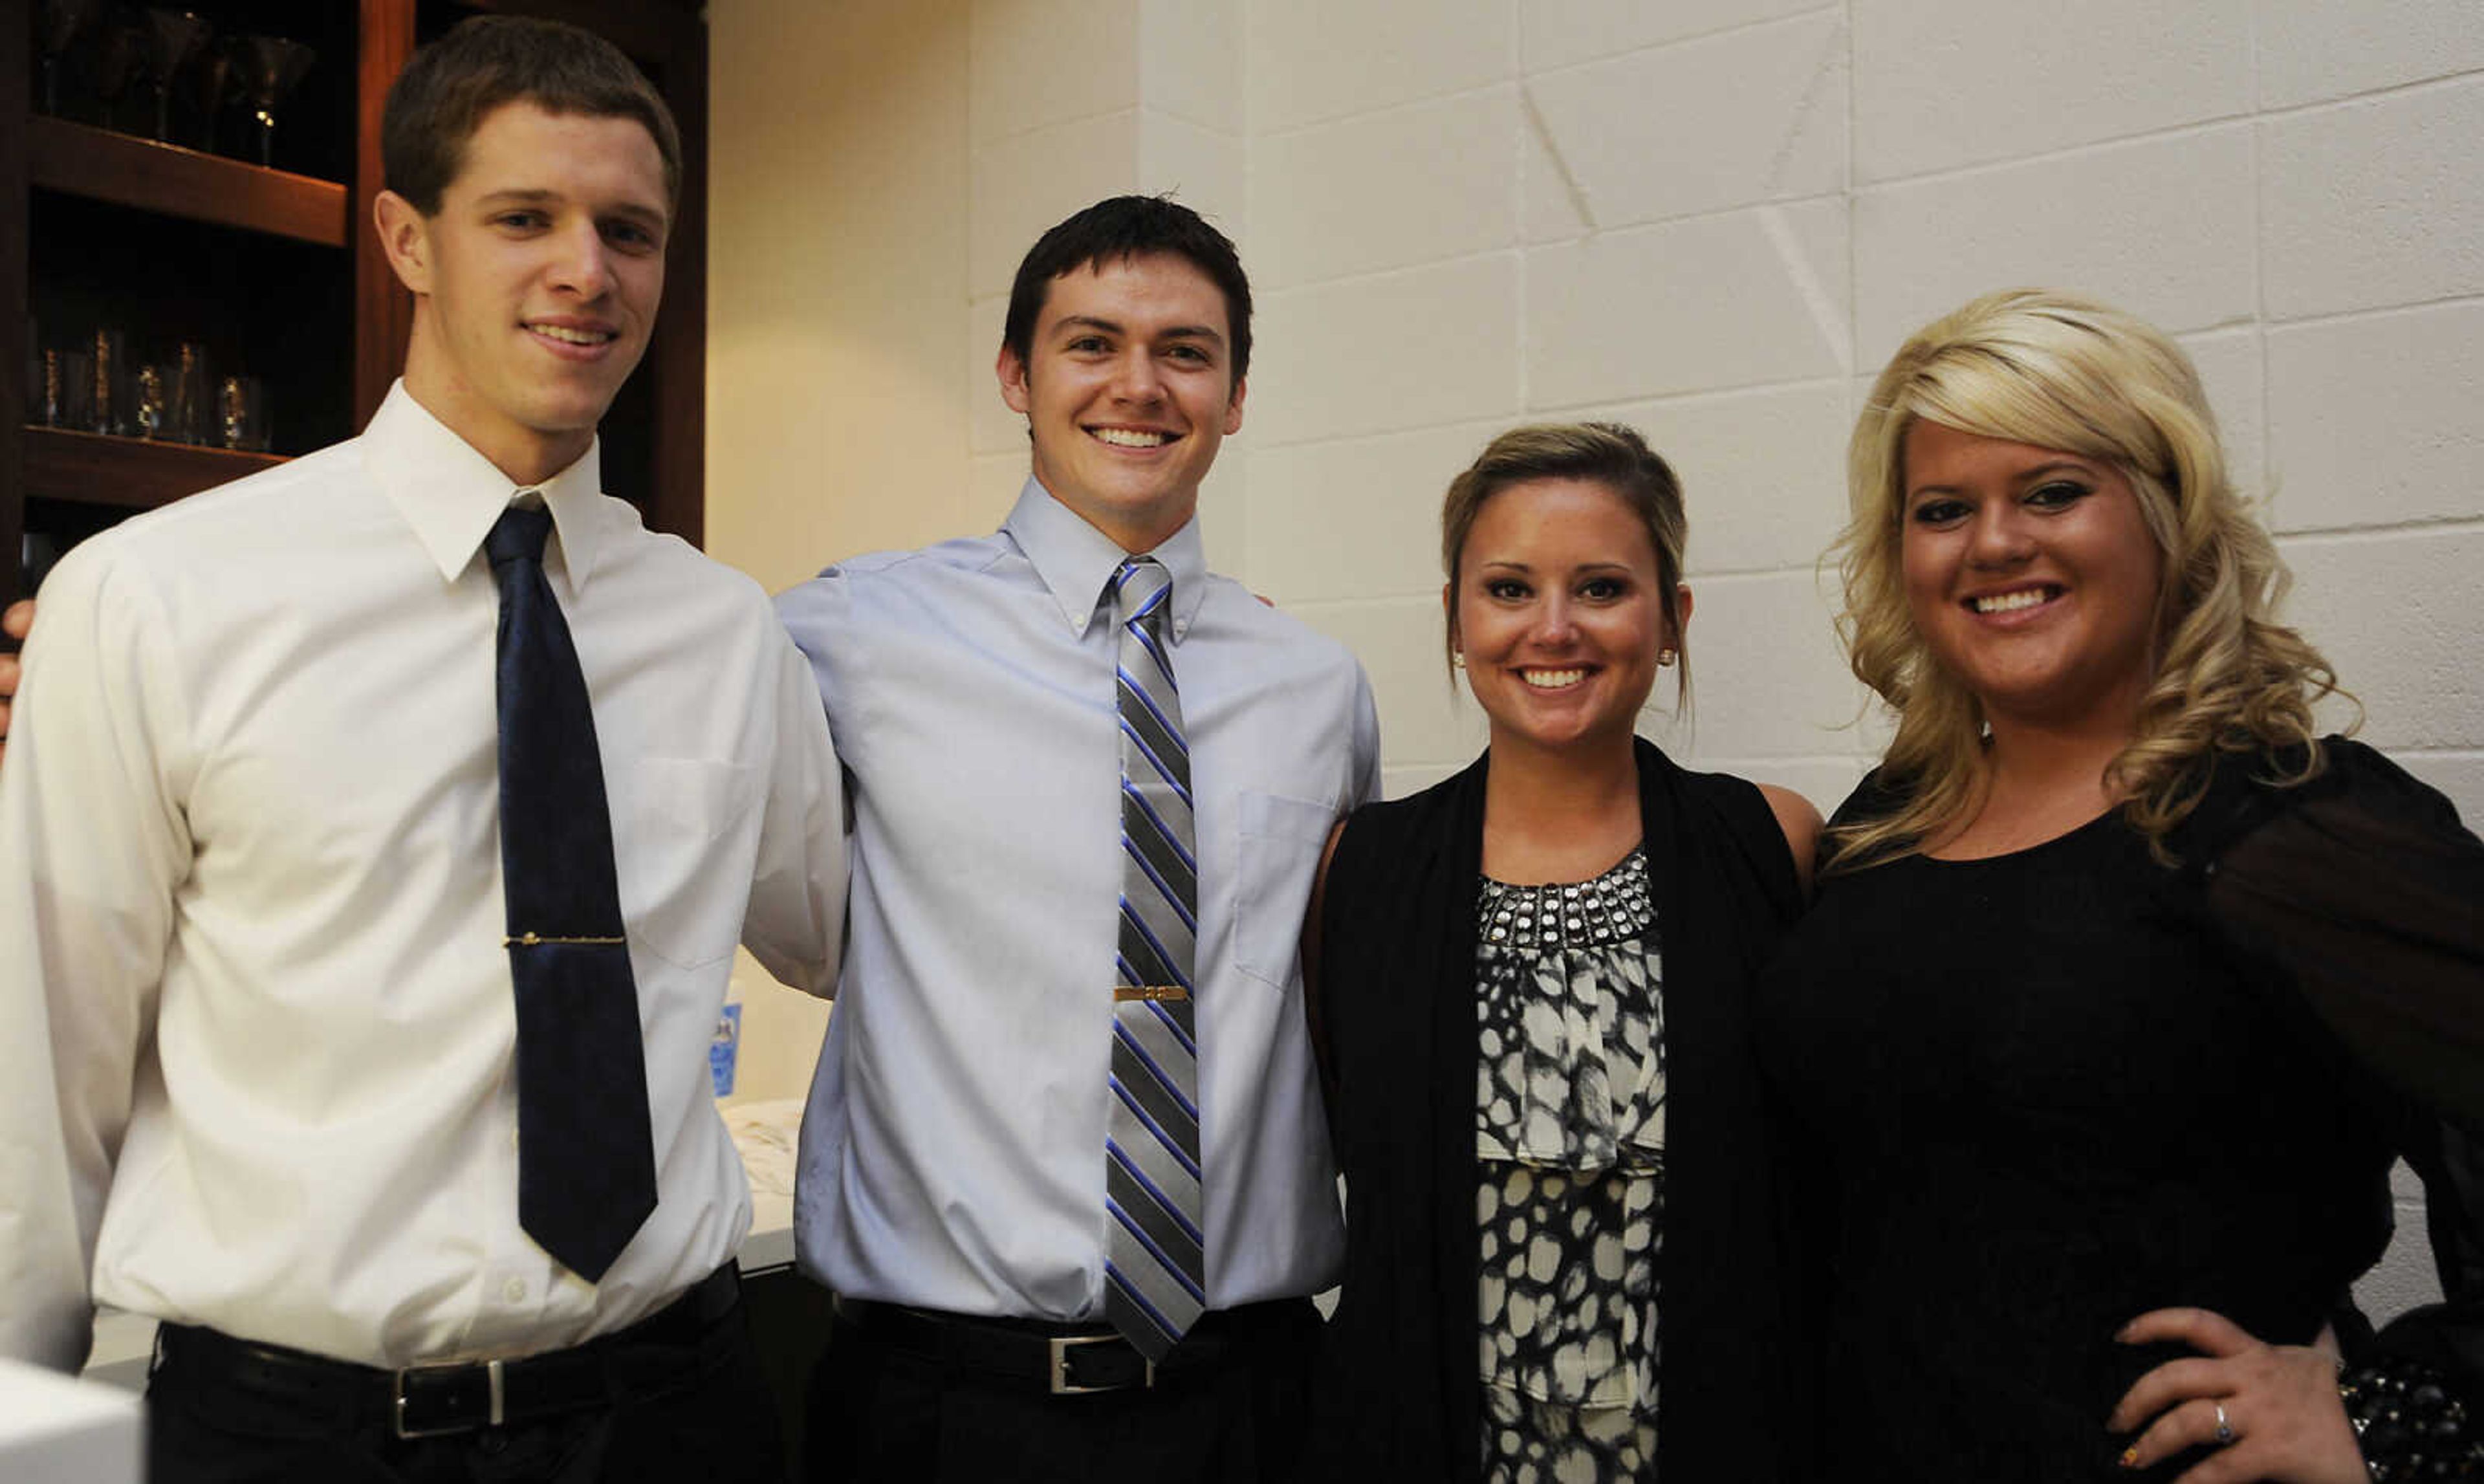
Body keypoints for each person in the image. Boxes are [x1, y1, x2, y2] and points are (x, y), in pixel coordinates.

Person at [0, 17, 845, 1483]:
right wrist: (31, 1438)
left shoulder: (726, 631)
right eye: (525, 218)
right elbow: (39, 1086)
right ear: (406, 239)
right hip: (295, 1438)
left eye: (630, 231)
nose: (588, 270)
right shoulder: (157, 598)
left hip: (675, 1418)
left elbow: (846, 931)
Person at [1756, 288, 2484, 1482]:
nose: (1994, 542)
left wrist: (2392, 1413)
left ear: (2166, 514)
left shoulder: (2286, 821)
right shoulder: (1888, 823)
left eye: (2052, 491)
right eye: (1944, 509)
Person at [771, 195, 1380, 1483]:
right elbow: (792, 920)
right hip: (947, 1412)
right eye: (1091, 343)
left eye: (1186, 351)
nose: (1140, 386)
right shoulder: (849, 636)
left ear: (1237, 391)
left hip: (1253, 1402)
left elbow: (1341, 1001)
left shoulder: (1316, 687)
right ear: (1016, 374)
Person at [1305, 422, 1822, 1483]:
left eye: (1600, 586)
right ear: (1455, 618)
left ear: (1671, 619)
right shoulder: (1365, 869)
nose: (1553, 628)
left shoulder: (1774, 846)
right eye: (1507, 588)